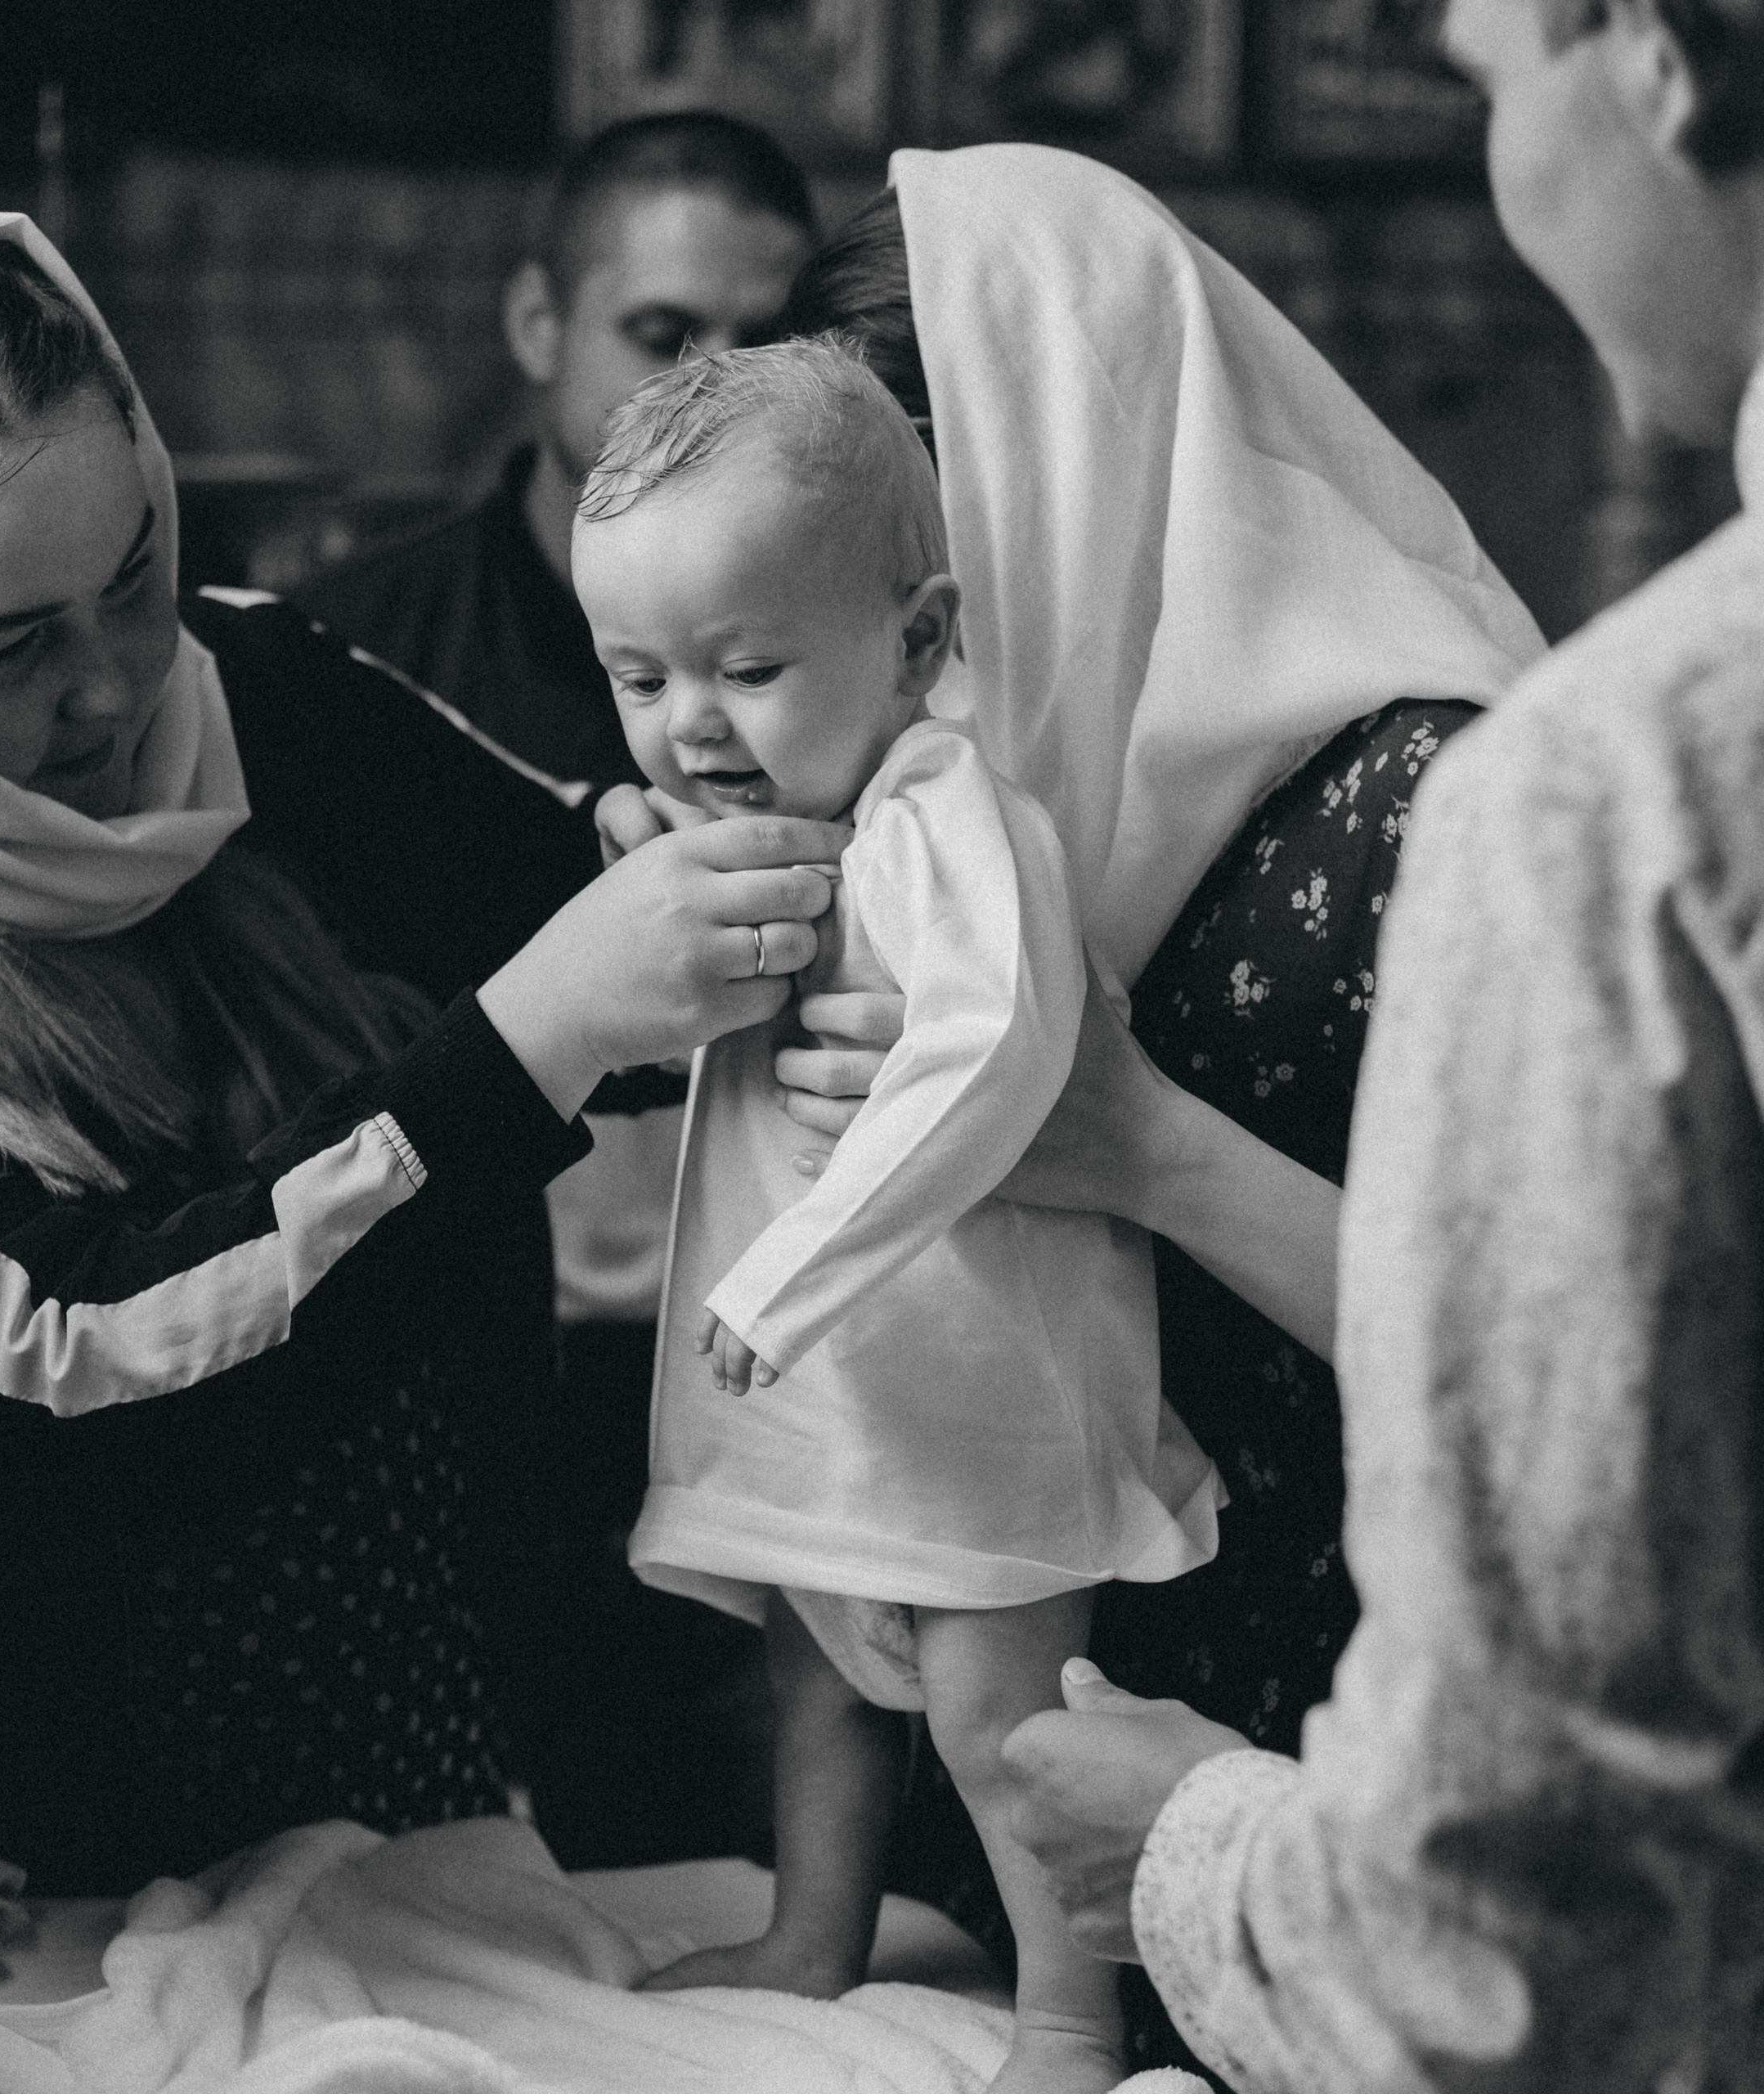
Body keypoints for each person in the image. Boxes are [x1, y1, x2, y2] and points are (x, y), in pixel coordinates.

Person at [0, 212, 851, 1931]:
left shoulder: (250, 689)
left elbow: (584, 895)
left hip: (426, 1803)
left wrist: (825, 944)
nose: (108, 687)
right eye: (8, 649)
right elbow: (67, 1362)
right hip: (24, 1883)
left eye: (134, 574)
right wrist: (535, 1033)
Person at [598, 143, 1542, 2065]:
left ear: (1060, 454)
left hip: (1312, 1766)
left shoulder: (1432, 801)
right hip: (994, 1726)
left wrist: (1135, 1138)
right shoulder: (928, 766)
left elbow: (1569, 1359)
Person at [991, 0, 1764, 2082]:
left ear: (1655, 57)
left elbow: (1508, 1951)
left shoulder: (1609, 803)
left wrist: (1187, 1838)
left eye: (1491, 73)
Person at [572, 336, 1222, 2093]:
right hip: (823, 1388)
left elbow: (991, 1052)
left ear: (918, 642)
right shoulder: (766, 814)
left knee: (999, 1711)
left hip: (961, 1380)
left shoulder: (945, 819)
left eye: (747, 669)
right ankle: (814, 1932)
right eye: (637, 676)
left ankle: (1068, 2016)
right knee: (815, 1663)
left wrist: (794, 1275)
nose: (691, 723)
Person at [292, 110, 820, 1863]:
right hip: (460, 1387)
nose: (710, 393)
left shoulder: (870, 664)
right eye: (663, 334)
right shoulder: (356, 658)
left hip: (781, 1374)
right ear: (537, 323)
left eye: (761, 342)